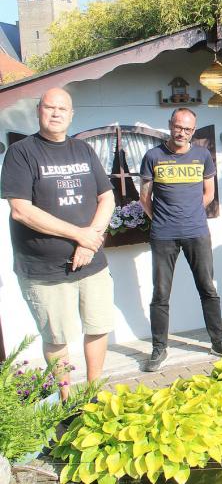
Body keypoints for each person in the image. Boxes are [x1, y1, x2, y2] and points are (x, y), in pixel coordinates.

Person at [1, 87, 115, 400]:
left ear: (71, 114)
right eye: (50, 107)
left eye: (62, 109)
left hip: (92, 264)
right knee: (57, 335)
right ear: (39, 111)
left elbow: (107, 197)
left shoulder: (84, 150)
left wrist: (89, 241)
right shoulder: (22, 152)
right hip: (45, 269)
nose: (56, 113)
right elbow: (21, 210)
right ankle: (66, 400)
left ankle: (92, 393)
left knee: (98, 324)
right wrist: (79, 235)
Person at [139, 108, 222, 372]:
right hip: (163, 235)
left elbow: (208, 193)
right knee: (160, 293)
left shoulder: (203, 156)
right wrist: (161, 218)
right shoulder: (153, 156)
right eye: (178, 127)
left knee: (207, 287)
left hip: (197, 232)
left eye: (188, 129)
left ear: (193, 131)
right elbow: (144, 198)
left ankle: (219, 341)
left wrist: (191, 214)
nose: (182, 132)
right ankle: (159, 349)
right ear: (170, 125)